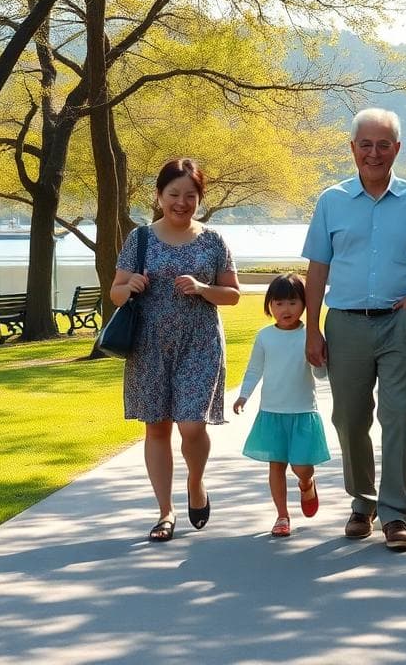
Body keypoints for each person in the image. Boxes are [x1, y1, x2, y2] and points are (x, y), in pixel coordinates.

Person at [303, 107, 406, 552]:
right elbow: (316, 270)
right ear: (352, 148)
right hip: (345, 324)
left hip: (398, 326)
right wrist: (312, 329)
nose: (374, 153)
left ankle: (394, 514)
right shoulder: (331, 201)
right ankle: (362, 502)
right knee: (349, 419)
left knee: (399, 417)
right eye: (365, 144)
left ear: (397, 149)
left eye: (383, 145)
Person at [110, 158, 240, 542]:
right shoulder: (140, 239)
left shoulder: (213, 240)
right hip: (149, 346)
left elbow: (232, 294)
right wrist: (129, 284)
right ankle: (164, 512)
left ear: (199, 198)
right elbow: (115, 293)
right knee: (157, 428)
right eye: (173, 194)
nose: (181, 203)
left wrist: (203, 288)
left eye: (190, 196)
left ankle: (196, 483)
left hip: (199, 344)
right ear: (159, 196)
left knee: (192, 424)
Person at [233, 274, 331, 538]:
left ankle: (307, 483)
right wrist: (244, 395)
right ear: (269, 306)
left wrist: (320, 360)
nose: (285, 309)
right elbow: (255, 369)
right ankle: (282, 516)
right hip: (271, 413)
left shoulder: (309, 335)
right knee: (275, 465)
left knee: (302, 466)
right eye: (278, 303)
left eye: (292, 302)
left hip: (302, 412)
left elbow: (321, 376)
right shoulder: (265, 336)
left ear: (304, 304)